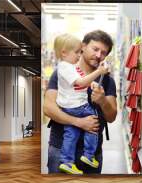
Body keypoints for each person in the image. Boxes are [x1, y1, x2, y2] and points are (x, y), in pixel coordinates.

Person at [44, 30, 117, 174]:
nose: (98, 55)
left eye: (103, 53)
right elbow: (48, 108)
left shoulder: (107, 81)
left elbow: (112, 116)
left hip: (91, 153)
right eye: (95, 49)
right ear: (83, 46)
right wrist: (79, 122)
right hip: (60, 149)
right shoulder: (62, 73)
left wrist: (102, 101)